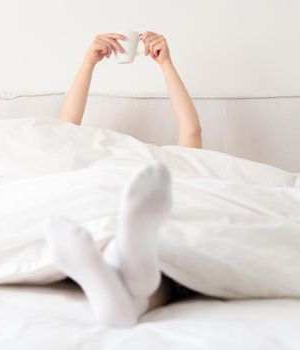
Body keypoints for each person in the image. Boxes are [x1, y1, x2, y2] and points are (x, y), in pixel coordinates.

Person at [43, 31, 202, 327]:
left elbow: (191, 134)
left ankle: (110, 276)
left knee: (130, 242)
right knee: (165, 264)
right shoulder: (90, 160)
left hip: (110, 212)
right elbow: (63, 134)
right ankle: (131, 270)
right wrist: (89, 61)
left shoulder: (174, 164)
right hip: (109, 200)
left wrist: (166, 63)